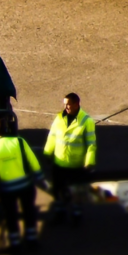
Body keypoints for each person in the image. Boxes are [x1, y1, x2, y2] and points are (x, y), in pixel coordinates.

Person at [0, 116, 41, 245]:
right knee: (28, 212)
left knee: (11, 215)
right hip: (25, 186)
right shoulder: (20, 142)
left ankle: (14, 243)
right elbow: (33, 161)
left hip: (7, 189)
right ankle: (31, 239)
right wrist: (39, 177)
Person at [44, 93, 96, 225]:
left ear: (76, 104)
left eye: (68, 104)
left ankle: (76, 215)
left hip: (75, 164)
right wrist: (47, 152)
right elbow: (52, 136)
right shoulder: (59, 118)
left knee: (76, 192)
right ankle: (59, 214)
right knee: (57, 190)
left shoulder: (86, 121)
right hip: (59, 162)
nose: (65, 107)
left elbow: (91, 143)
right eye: (64, 104)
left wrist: (89, 162)